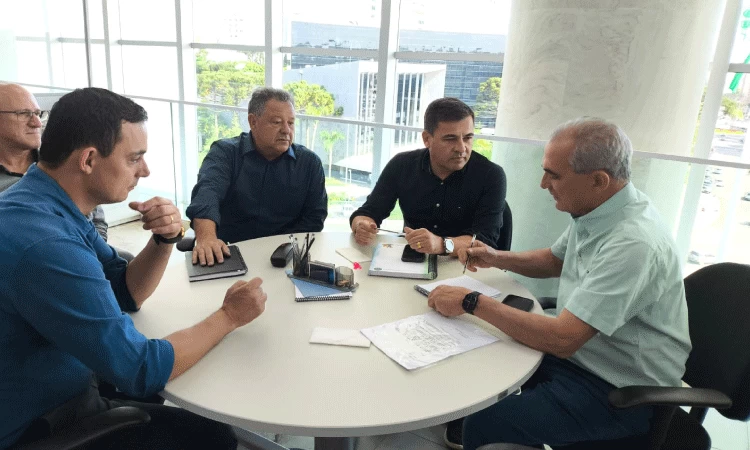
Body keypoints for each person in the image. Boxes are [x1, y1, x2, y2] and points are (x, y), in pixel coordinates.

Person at [0, 87, 268, 449]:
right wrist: (229, 316)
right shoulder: (47, 245)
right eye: (134, 159)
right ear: (88, 159)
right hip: (38, 423)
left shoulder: (45, 202)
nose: (145, 170)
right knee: (211, 436)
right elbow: (140, 370)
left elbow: (125, 292)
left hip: (60, 383)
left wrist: (164, 239)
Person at [428, 118, 691, 450]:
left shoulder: (634, 244)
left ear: (598, 180)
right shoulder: (598, 210)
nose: (543, 184)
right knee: (480, 358)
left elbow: (563, 339)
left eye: (554, 175)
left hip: (619, 389)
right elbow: (555, 260)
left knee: (486, 422)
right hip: (582, 358)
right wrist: (496, 257)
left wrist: (471, 302)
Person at [186, 87, 328, 266]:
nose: (286, 130)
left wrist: (285, 249)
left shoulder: (309, 164)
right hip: (228, 253)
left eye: (291, 123)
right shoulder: (225, 153)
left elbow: (314, 218)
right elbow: (206, 196)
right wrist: (207, 238)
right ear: (253, 122)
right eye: (277, 122)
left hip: (283, 257)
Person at [349, 97, 506, 257]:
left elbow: (484, 240)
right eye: (450, 139)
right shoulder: (402, 165)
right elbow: (369, 212)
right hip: (412, 259)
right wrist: (362, 225)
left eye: (468, 138)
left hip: (466, 264)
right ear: (427, 139)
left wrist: (441, 244)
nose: (461, 148)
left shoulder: (491, 175)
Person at [0, 83, 133, 260]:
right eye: (24, 114)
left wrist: (90, 254)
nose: (37, 123)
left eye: (38, 113)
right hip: (24, 258)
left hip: (79, 247)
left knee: (126, 262)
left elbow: (96, 220)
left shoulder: (60, 159)